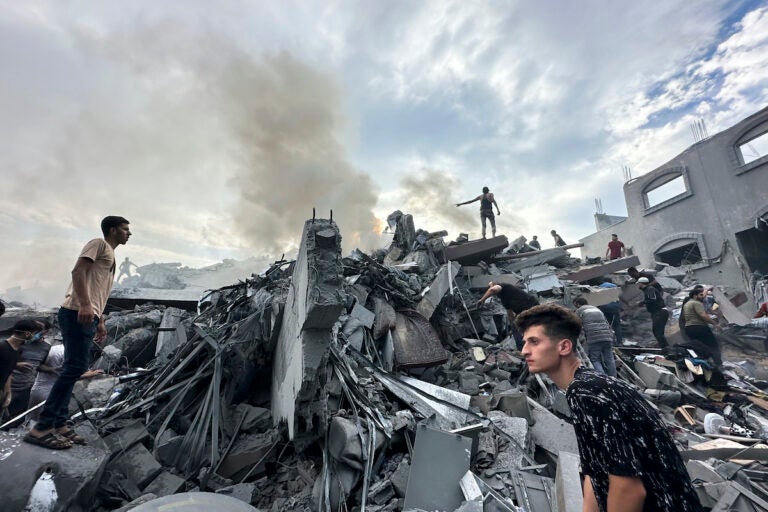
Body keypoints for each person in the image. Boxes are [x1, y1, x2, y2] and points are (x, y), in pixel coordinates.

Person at [516, 304, 703, 512]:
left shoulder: (588, 393)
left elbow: (628, 488)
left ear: (564, 347)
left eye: (534, 342)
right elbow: (595, 472)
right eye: (524, 342)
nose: (524, 351)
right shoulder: (588, 386)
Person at [25, 216, 131, 449]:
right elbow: (77, 272)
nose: (128, 233)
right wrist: (84, 305)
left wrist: (100, 319)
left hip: (87, 315)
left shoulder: (111, 255)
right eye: (125, 229)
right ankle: (41, 428)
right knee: (74, 367)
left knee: (73, 368)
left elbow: (97, 290)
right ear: (112, 230)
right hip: (76, 312)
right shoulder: (99, 244)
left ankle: (60, 424)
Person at [27, 344, 103, 421]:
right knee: (40, 419)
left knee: (32, 417)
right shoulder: (67, 354)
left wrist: (87, 372)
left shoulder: (57, 348)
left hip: (40, 388)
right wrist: (92, 374)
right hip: (48, 391)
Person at [6, 321, 52, 427]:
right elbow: (5, 360)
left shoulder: (46, 348)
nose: (33, 332)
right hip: (8, 384)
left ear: (46, 332)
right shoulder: (20, 343)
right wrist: (17, 364)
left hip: (25, 387)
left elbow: (39, 365)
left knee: (16, 418)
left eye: (38, 329)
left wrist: (52, 370)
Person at [573, 297, 617, 376]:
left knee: (595, 360)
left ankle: (604, 380)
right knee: (610, 359)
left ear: (577, 304)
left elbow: (575, 325)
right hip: (607, 337)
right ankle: (614, 378)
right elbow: (607, 324)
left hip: (594, 338)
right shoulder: (597, 309)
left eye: (575, 305)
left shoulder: (579, 310)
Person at [683, 287, 722, 366]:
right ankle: (719, 365)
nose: (703, 296)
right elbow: (703, 315)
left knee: (698, 347)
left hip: (689, 329)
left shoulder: (687, 303)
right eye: (701, 295)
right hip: (700, 328)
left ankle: (703, 364)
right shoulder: (697, 303)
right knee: (713, 346)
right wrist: (715, 324)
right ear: (695, 296)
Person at [638, 277, 669, 348]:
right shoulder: (648, 290)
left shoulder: (650, 289)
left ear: (641, 283)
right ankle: (663, 346)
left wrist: (642, 302)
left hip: (660, 312)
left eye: (639, 284)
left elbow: (652, 299)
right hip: (658, 313)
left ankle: (666, 348)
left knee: (658, 332)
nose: (638, 285)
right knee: (657, 331)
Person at [597, 278, 623, 345]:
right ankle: (619, 342)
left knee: (608, 325)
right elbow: (617, 297)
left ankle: (611, 342)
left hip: (603, 307)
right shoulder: (613, 285)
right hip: (613, 307)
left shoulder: (599, 287)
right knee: (616, 325)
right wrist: (620, 307)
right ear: (610, 281)